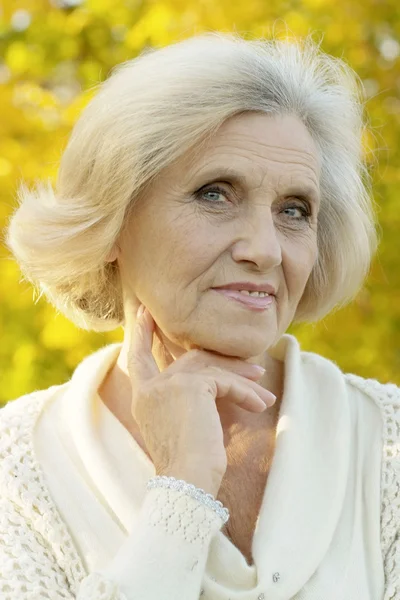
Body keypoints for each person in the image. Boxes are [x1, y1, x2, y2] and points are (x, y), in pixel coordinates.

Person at [0, 30, 399, 600]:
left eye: (294, 210)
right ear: (113, 221)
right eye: (215, 193)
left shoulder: (388, 444)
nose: (265, 249)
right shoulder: (17, 473)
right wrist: (181, 493)